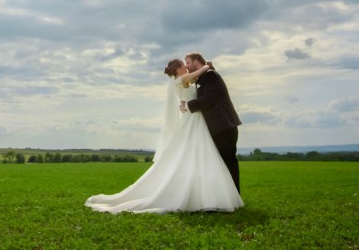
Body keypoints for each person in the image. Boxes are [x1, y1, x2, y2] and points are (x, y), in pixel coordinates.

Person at [84, 58, 243, 214]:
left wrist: (186, 103)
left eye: (188, 63)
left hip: (195, 120)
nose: (187, 67)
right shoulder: (182, 79)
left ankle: (205, 194)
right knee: (199, 155)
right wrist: (206, 66)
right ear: (180, 68)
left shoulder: (183, 80)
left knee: (200, 156)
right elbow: (199, 80)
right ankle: (206, 196)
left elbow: (200, 95)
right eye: (184, 64)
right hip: (193, 120)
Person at [179, 53, 241, 193]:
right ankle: (226, 196)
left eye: (188, 63)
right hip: (219, 128)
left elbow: (209, 100)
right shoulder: (203, 77)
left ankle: (234, 197)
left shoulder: (210, 75)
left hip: (224, 127)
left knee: (228, 162)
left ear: (196, 62)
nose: (187, 66)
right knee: (221, 164)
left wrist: (187, 106)